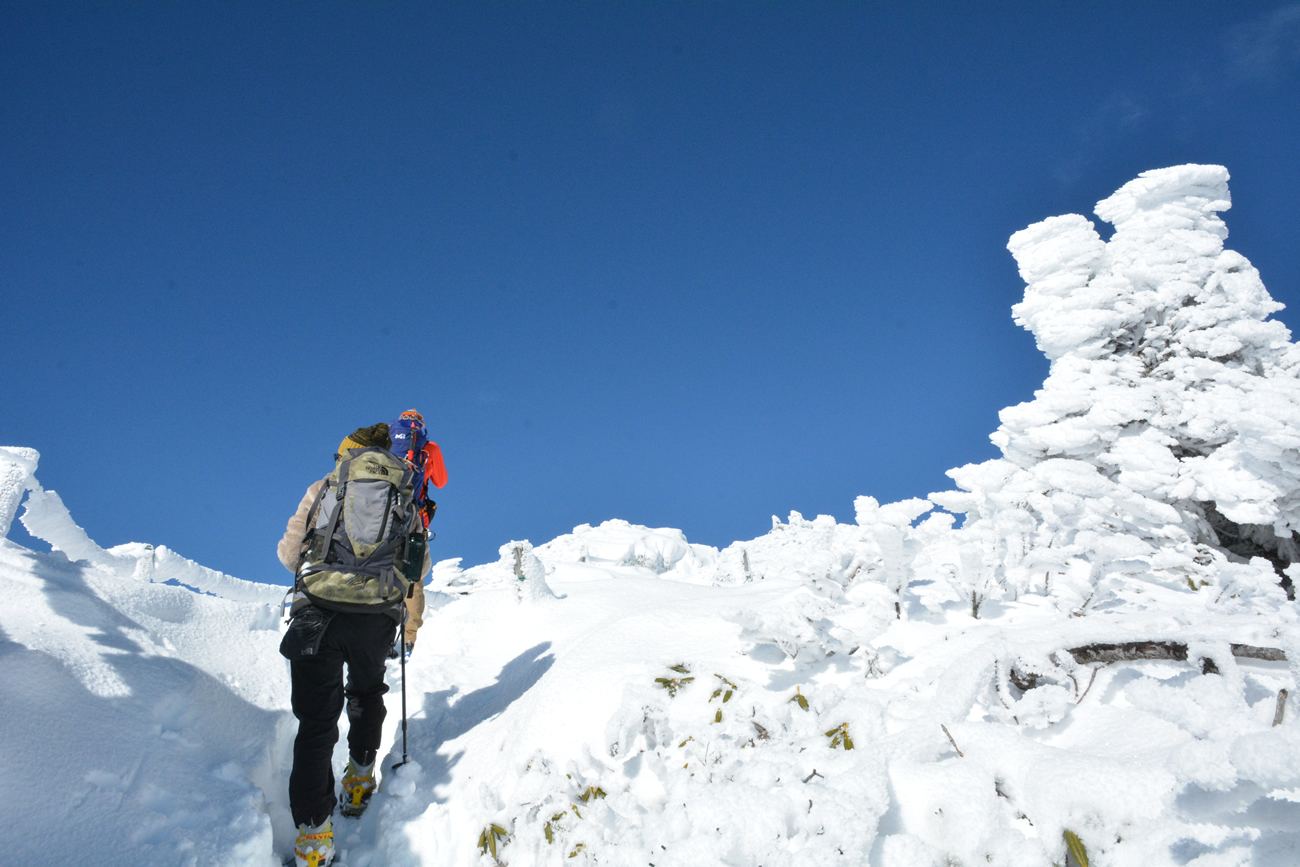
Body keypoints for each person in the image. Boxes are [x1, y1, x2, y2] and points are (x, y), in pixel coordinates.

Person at [277, 422, 433, 867]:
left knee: (316, 723)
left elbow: (289, 554)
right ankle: (360, 780)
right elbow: (417, 569)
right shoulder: (405, 488)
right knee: (366, 692)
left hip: (318, 612)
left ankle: (313, 838)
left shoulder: (327, 485)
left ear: (348, 452)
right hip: (376, 615)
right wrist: (410, 626)